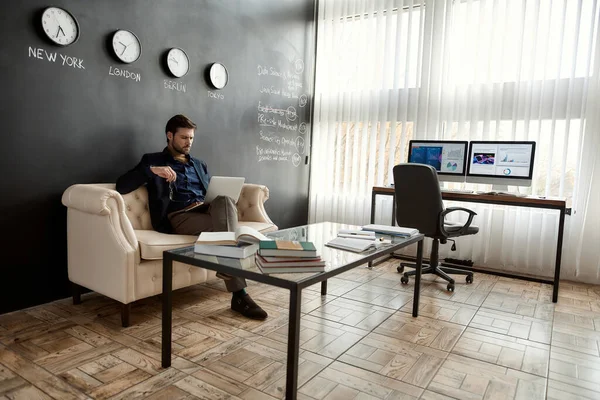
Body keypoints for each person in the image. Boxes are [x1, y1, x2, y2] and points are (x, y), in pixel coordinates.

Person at [116, 114, 267, 320]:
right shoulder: (153, 160)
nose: (189, 143)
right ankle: (239, 293)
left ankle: (233, 279)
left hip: (204, 210)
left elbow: (209, 194)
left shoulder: (199, 164)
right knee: (234, 233)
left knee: (224, 200)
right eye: (184, 138)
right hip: (179, 216)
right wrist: (152, 171)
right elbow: (122, 185)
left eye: (191, 138)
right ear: (170, 136)